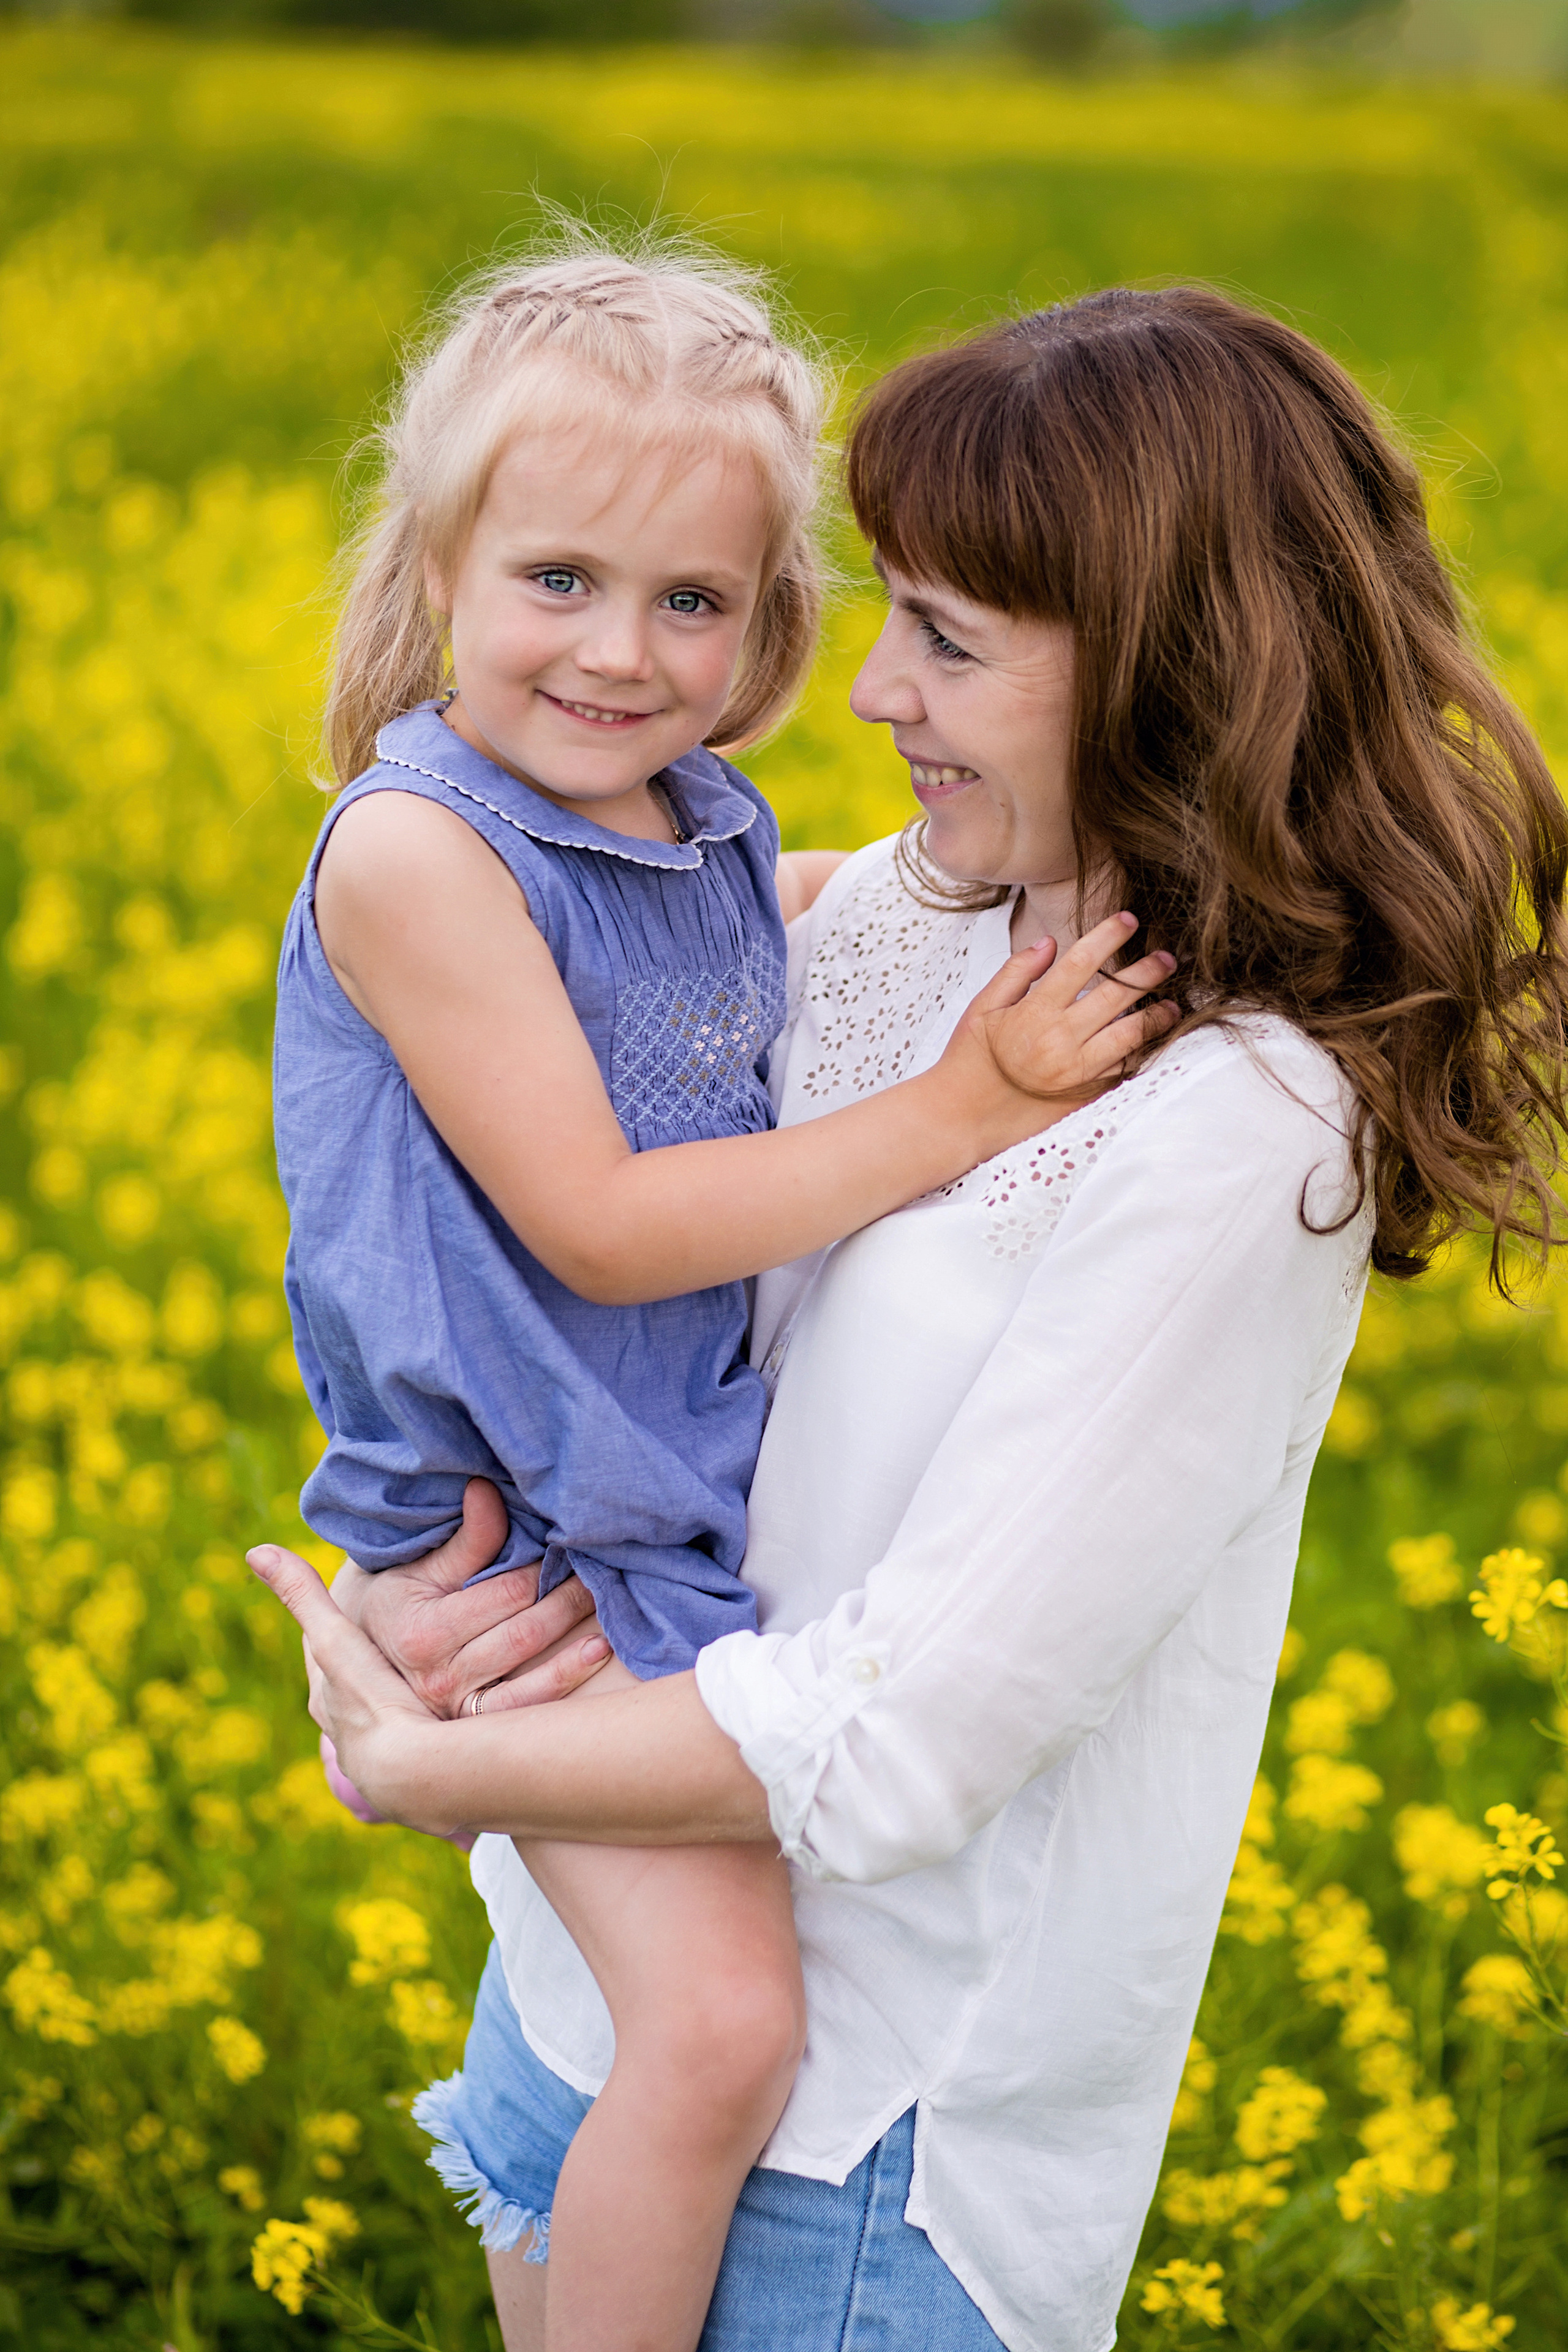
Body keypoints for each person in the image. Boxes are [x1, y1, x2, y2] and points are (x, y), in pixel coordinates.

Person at [253, 285, 1568, 2352]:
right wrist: (435, 1549)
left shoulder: (1241, 1126)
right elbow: (516, 1204)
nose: (864, 692)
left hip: (853, 2156)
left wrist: (429, 1765)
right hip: (583, 1993)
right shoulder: (912, 909)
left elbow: (910, 1731)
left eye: (946, 641)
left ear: (1170, 671)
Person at [275, 235, 1175, 2352]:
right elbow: (595, 1220)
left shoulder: (680, 821)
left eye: (696, 601)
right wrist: (964, 1103)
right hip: (530, 1533)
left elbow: (725, 959)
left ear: (773, 621)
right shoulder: (418, 857)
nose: (625, 654)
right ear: (439, 572)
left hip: (636, 1502)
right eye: (561, 582)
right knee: (720, 2031)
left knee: (702, 2005)